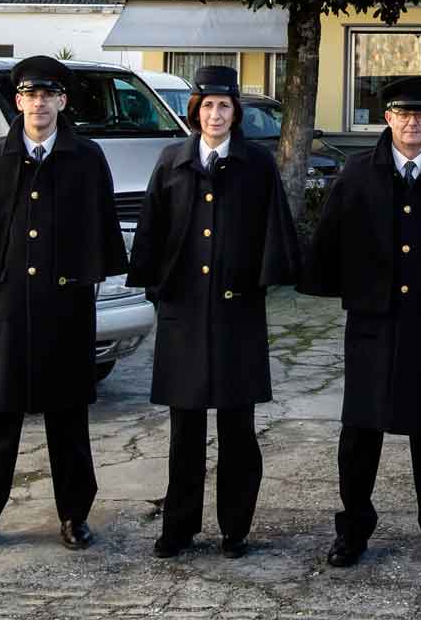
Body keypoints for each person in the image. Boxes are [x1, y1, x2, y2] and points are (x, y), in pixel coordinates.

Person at [300, 76, 421, 568]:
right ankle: (353, 532)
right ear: (387, 119)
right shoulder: (356, 173)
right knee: (360, 432)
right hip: (372, 322)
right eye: (402, 114)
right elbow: (332, 238)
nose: (412, 123)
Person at [0, 55, 128, 555]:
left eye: (48, 95)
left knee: (68, 420)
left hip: (66, 308)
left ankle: (73, 517)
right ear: (17, 101)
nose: (38, 103)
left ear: (62, 101)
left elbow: (101, 228)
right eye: (29, 95)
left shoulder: (86, 159)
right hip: (7, 307)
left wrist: (90, 277)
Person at [127, 65, 301, 559]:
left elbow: (274, 228)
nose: (216, 114)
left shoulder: (257, 164)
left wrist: (261, 282)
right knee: (185, 429)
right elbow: (153, 231)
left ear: (235, 113)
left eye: (224, 106)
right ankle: (178, 528)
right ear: (195, 111)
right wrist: (157, 287)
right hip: (183, 313)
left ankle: (235, 529)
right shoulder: (170, 161)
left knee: (237, 428)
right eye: (207, 106)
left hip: (237, 313)